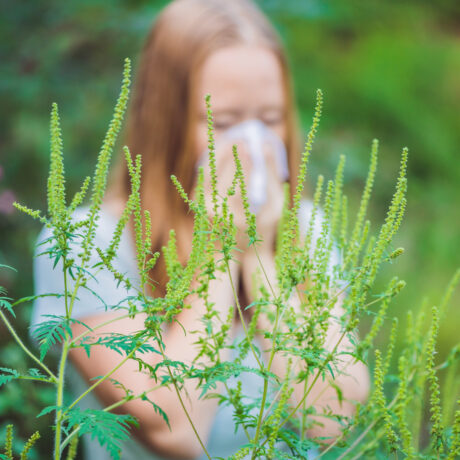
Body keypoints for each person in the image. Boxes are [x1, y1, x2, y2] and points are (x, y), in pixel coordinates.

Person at [32, 0, 369, 458]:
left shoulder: (307, 228)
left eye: (269, 120)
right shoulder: (84, 245)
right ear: (164, 123)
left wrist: (261, 257)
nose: (250, 145)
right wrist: (222, 249)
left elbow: (330, 421)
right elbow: (175, 430)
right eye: (224, 123)